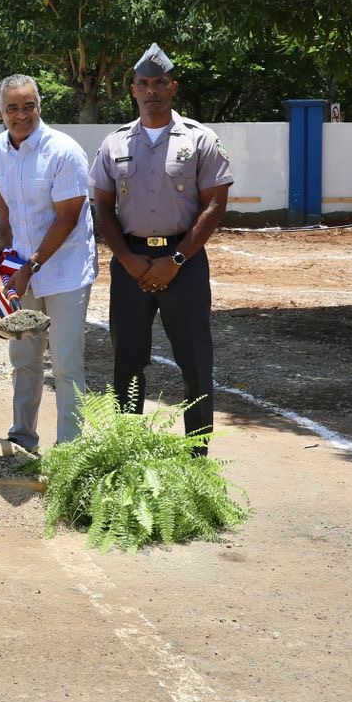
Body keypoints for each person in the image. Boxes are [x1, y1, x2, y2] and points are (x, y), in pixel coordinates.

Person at [90, 44, 234, 452]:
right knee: (127, 363)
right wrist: (126, 258)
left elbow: (215, 205)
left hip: (183, 262)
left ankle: (197, 461)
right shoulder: (113, 144)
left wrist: (175, 260)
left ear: (174, 87)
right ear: (132, 89)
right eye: (143, 83)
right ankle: (127, 456)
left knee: (195, 363)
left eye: (159, 83)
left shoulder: (200, 140)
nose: (151, 89)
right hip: (130, 262)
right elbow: (102, 206)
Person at [0, 74, 98, 453]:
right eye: (12, 107)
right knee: (24, 359)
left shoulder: (64, 151)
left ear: (40, 107)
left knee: (66, 364)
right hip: (22, 269)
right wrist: (4, 241)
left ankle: (70, 452)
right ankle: (22, 440)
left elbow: (67, 216)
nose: (21, 115)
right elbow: (5, 196)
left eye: (28, 105)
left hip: (65, 271)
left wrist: (30, 265)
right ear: (0, 112)